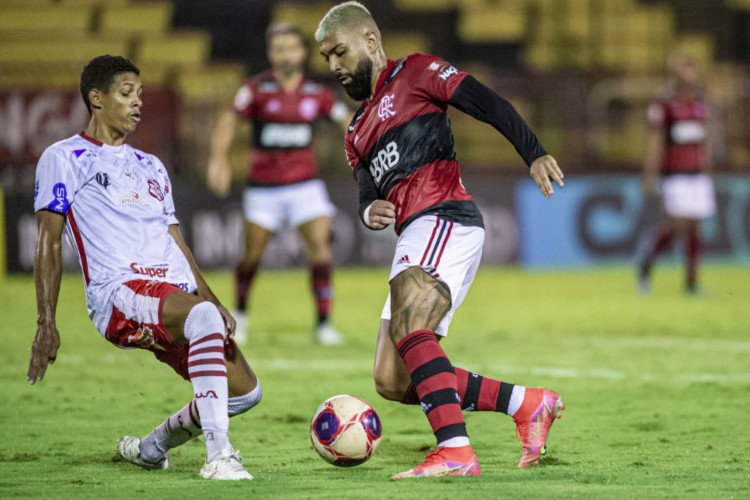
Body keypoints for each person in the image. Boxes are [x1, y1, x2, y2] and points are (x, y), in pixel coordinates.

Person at [316, 2, 566, 479]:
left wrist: (533, 152)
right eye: (327, 58)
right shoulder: (354, 131)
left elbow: (487, 102)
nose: (334, 67)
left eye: (340, 52)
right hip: (414, 233)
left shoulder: (416, 71)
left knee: (412, 327)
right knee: (392, 378)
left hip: (445, 216)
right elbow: (367, 189)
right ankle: (527, 403)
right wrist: (369, 210)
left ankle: (455, 450)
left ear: (370, 40)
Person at [28, 55, 260, 481]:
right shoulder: (65, 157)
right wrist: (46, 321)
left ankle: (151, 449)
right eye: (126, 93)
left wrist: (209, 299)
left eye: (140, 93)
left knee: (244, 393)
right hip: (120, 291)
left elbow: (174, 239)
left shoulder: (151, 165)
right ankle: (219, 456)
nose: (138, 103)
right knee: (204, 322)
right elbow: (48, 240)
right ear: (96, 99)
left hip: (171, 293)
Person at [207, 22, 350, 345]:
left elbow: (347, 121)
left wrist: (365, 147)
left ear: (302, 52)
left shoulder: (317, 93)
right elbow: (229, 121)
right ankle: (240, 316)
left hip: (305, 185)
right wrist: (219, 159)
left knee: (321, 250)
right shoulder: (256, 89)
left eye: (290, 47)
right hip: (263, 189)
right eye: (278, 48)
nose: (284, 53)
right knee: (252, 257)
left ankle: (324, 323)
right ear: (271, 53)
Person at [637, 51, 716, 295]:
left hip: (696, 175)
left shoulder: (700, 104)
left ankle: (691, 283)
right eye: (684, 68)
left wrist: (707, 171)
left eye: (691, 68)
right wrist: (649, 175)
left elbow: (703, 142)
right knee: (678, 226)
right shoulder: (665, 106)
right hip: (674, 174)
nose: (689, 74)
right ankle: (647, 263)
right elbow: (656, 142)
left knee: (694, 227)